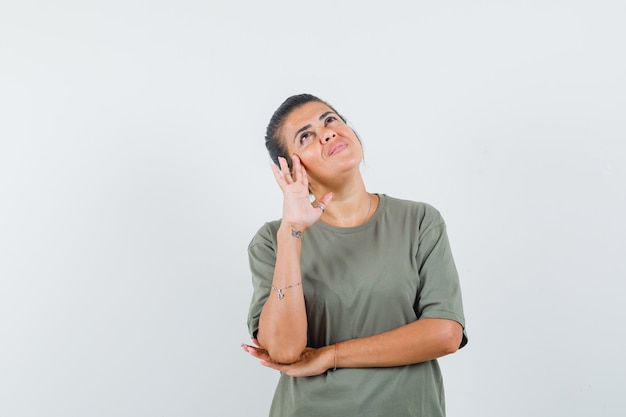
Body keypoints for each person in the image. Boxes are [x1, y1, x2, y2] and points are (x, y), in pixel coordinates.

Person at [241, 93, 468, 417]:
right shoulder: (272, 242)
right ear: (291, 169)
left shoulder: (419, 221)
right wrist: (293, 231)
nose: (328, 133)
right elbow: (284, 350)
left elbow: (445, 333)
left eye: (330, 120)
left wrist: (332, 355)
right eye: (306, 136)